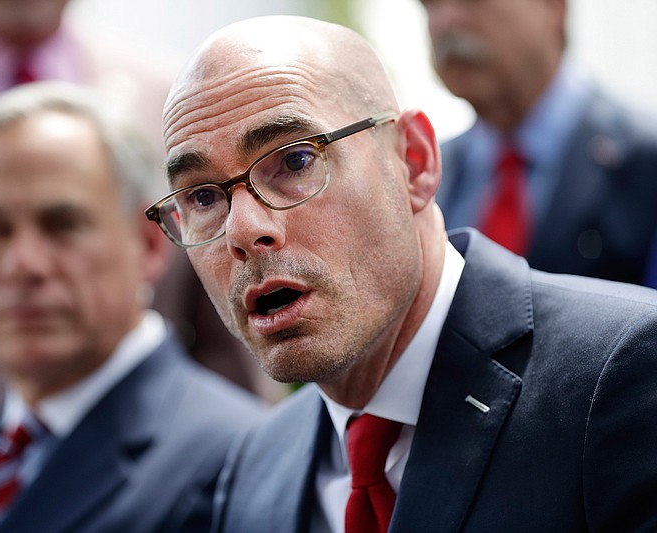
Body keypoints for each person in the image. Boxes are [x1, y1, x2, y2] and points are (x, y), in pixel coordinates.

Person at [146, 15, 657, 532]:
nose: (243, 230)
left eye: (296, 161)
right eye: (202, 196)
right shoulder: (252, 470)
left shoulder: (623, 376)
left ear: (414, 161)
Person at [0, 0, 275, 508]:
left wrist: (262, 478)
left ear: (150, 241)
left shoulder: (179, 97)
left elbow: (227, 320)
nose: (23, 264)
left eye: (63, 225)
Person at [417, 0, 657, 285]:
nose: (446, 20)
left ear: (554, 7)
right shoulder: (425, 178)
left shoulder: (645, 165)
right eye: (429, 4)